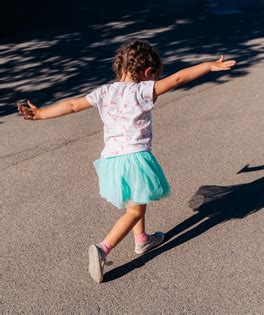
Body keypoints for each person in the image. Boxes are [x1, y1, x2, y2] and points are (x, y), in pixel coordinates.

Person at [18, 40, 236, 283]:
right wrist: (206, 66)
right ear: (147, 72)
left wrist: (40, 114)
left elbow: (71, 105)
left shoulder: (103, 91)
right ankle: (103, 248)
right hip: (135, 158)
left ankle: (141, 239)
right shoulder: (142, 90)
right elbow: (177, 79)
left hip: (111, 160)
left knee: (137, 199)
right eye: (153, 75)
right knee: (134, 209)